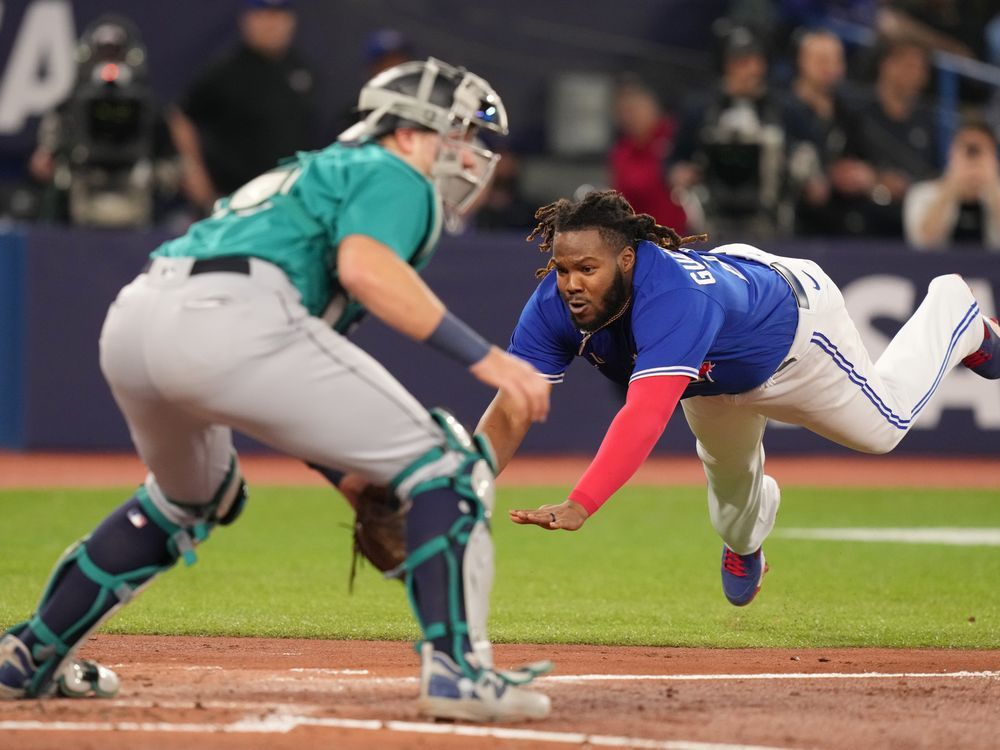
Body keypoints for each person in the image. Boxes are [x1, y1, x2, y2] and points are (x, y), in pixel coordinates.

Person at [0, 57, 553, 723]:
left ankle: (29, 653)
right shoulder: (390, 171)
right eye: (458, 135)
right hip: (233, 312)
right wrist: (491, 360)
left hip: (140, 314)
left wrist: (343, 472)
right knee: (452, 467)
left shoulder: (309, 172)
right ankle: (460, 675)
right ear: (408, 133)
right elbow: (366, 268)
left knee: (193, 497)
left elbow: (289, 376)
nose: (469, 156)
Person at [474, 189, 999, 607]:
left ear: (628, 260)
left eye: (588, 268)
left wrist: (581, 502)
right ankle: (748, 547)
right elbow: (514, 405)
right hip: (713, 376)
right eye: (563, 269)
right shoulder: (553, 306)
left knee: (883, 430)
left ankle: (955, 312)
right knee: (730, 511)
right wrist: (464, 484)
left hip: (796, 339)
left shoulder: (674, 297)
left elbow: (646, 414)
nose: (570, 283)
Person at [169, 0, 321, 215]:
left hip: (290, 199)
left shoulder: (301, 69)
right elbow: (182, 116)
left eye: (279, 15)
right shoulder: (226, 71)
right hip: (239, 200)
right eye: (264, 15)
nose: (272, 24)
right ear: (247, 20)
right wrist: (193, 171)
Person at [669, 26, 790, 240]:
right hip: (712, 215)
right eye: (740, 62)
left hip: (769, 216)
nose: (749, 70)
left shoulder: (781, 108)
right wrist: (679, 172)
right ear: (726, 66)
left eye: (754, 61)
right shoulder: (701, 108)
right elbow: (674, 158)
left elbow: (802, 149)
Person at [903, 117, 1000, 251]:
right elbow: (923, 242)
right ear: (951, 154)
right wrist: (952, 184)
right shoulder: (922, 193)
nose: (973, 159)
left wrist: (992, 184)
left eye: (980, 151)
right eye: (967, 150)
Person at [608, 76, 686, 233]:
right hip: (640, 241)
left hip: (686, 240)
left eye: (634, 109)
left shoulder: (677, 137)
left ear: (652, 106)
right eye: (623, 112)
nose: (630, 118)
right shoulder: (621, 153)